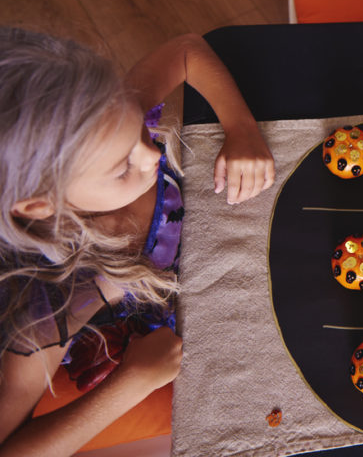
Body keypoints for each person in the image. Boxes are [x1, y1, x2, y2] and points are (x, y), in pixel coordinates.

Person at [0, 28, 275, 455]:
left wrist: (241, 130)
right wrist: (132, 383)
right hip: (176, 344)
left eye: (140, 132)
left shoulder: (103, 123)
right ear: (40, 206)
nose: (151, 155)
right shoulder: (46, 312)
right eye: (121, 166)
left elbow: (186, 49)